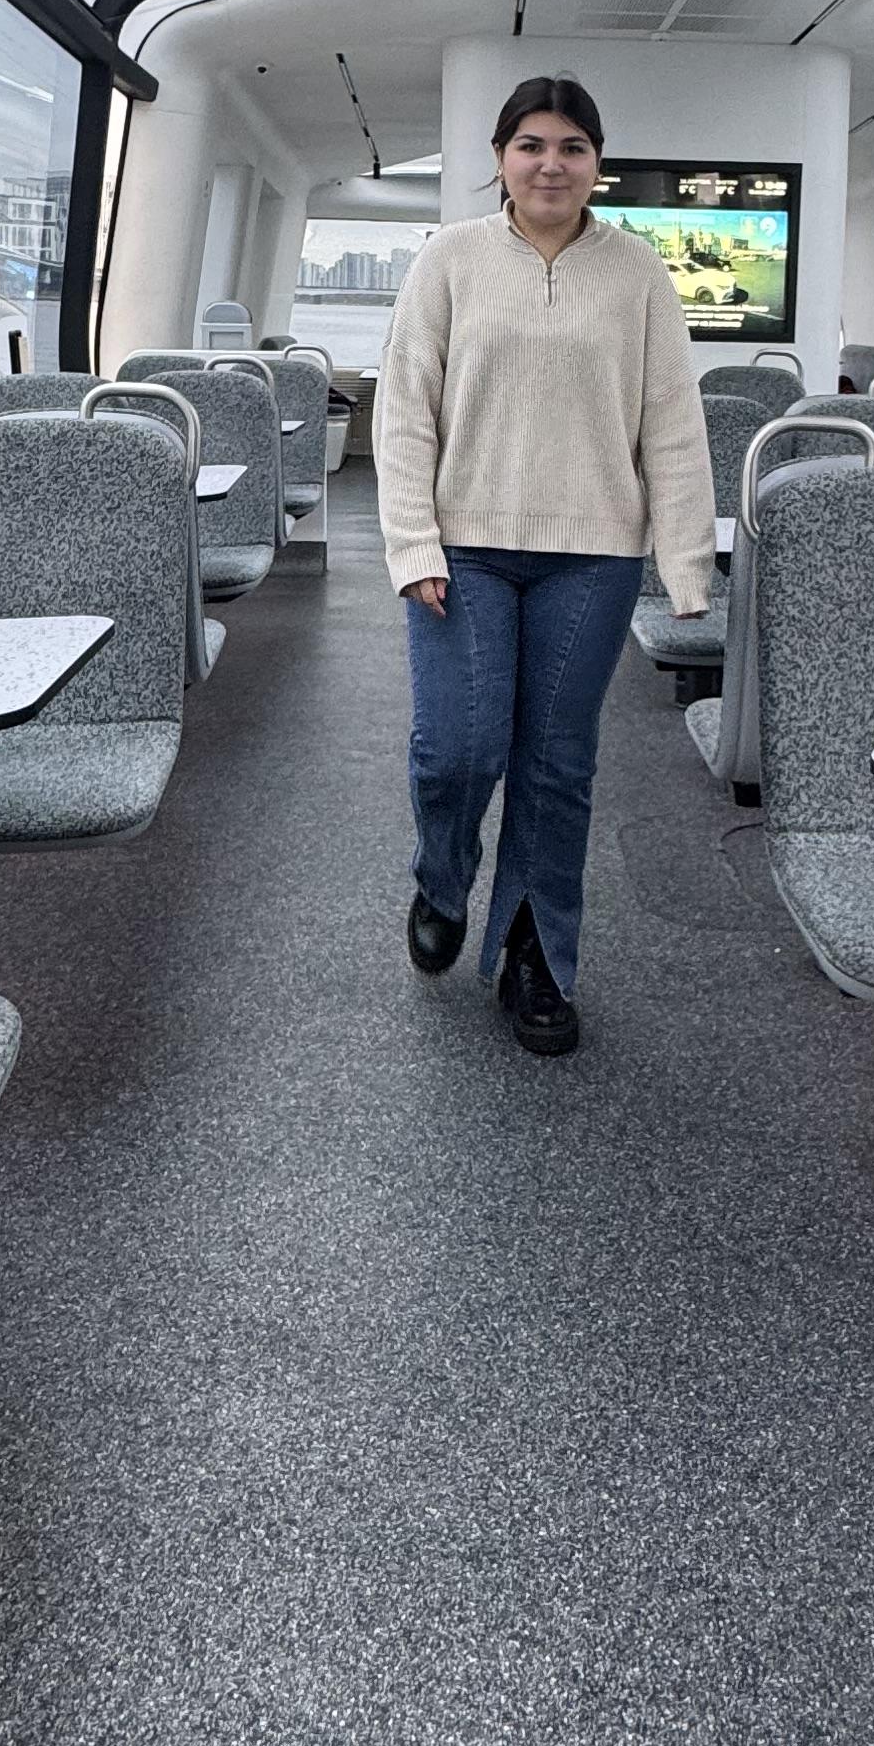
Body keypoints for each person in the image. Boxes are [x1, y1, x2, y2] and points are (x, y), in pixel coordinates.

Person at [376, 76, 718, 1057]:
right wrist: (413, 542)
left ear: (597, 162)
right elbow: (404, 410)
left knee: (557, 767)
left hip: (593, 556)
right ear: (500, 158)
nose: (551, 164)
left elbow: (672, 422)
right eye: (531, 144)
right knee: (459, 750)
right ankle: (443, 879)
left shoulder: (639, 271)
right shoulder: (450, 259)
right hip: (465, 548)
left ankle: (536, 954)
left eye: (572, 146)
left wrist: (685, 563)